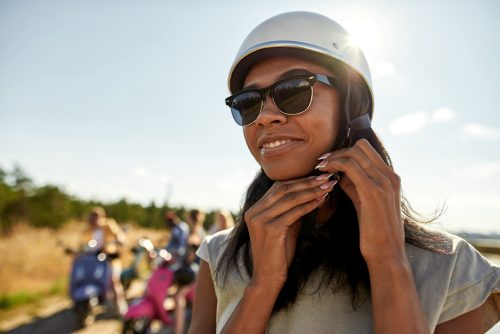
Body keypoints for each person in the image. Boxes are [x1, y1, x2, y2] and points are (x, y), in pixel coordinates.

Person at [188, 12, 500, 334]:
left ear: (354, 106)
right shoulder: (219, 255)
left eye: (293, 90)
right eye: (248, 103)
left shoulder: (449, 266)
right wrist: (263, 284)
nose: (265, 117)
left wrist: (388, 261)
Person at [80, 206, 128, 315]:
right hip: (94, 260)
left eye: (94, 219)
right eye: (91, 220)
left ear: (101, 218)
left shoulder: (108, 225)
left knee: (113, 279)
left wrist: (120, 240)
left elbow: (119, 235)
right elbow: (83, 244)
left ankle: (121, 305)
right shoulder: (88, 230)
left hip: (109, 258)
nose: (93, 223)